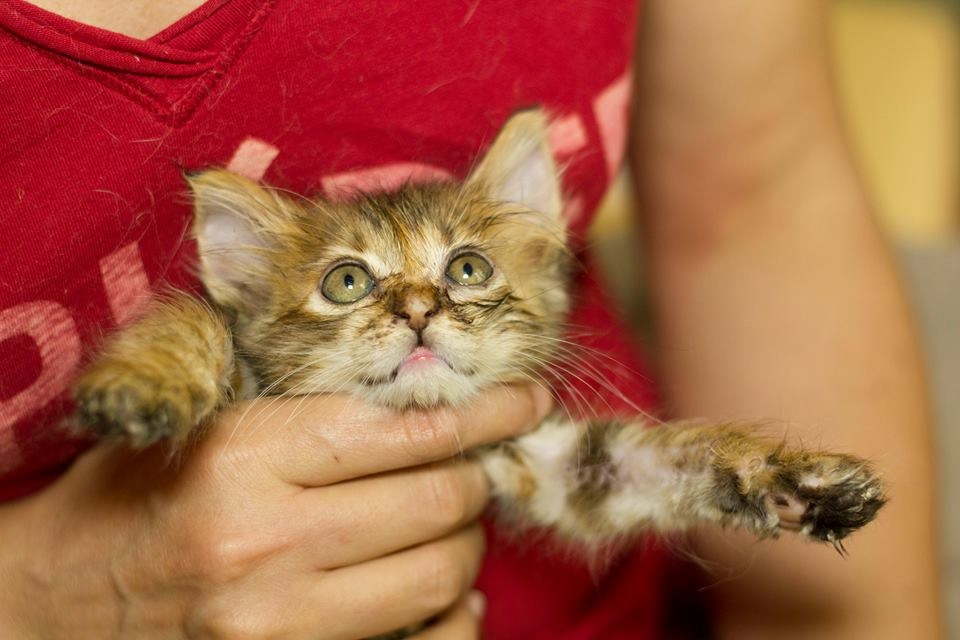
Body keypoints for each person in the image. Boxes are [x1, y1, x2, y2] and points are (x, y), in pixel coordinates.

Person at [0, 0, 941, 638]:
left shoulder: (503, 413)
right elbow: (217, 335)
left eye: (465, 271)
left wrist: (751, 485)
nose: (419, 308)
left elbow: (752, 207)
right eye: (351, 284)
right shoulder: (255, 352)